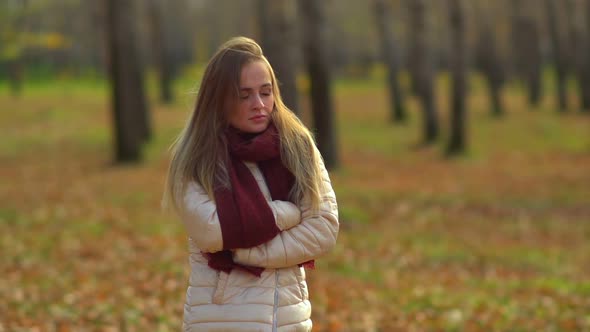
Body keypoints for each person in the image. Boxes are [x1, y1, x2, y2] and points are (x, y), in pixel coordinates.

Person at [163, 36, 339, 331]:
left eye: (265, 92)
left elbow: (323, 229)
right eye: (244, 95)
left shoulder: (297, 146)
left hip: (288, 320)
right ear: (218, 98)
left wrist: (251, 253)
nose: (259, 104)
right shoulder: (196, 156)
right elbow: (213, 231)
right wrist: (289, 214)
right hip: (222, 319)